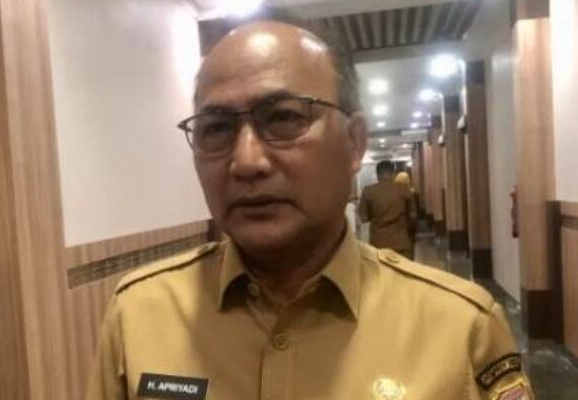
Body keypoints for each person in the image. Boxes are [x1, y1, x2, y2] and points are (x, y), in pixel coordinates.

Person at [87, 21, 533, 400]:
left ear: (354, 143)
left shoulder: (461, 328)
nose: (247, 161)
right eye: (217, 128)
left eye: (283, 118)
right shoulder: (140, 315)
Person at [358, 161, 417, 260]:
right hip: (401, 243)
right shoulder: (404, 189)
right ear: (393, 174)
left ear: (377, 175)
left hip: (378, 244)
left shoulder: (368, 191)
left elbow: (363, 218)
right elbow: (413, 215)